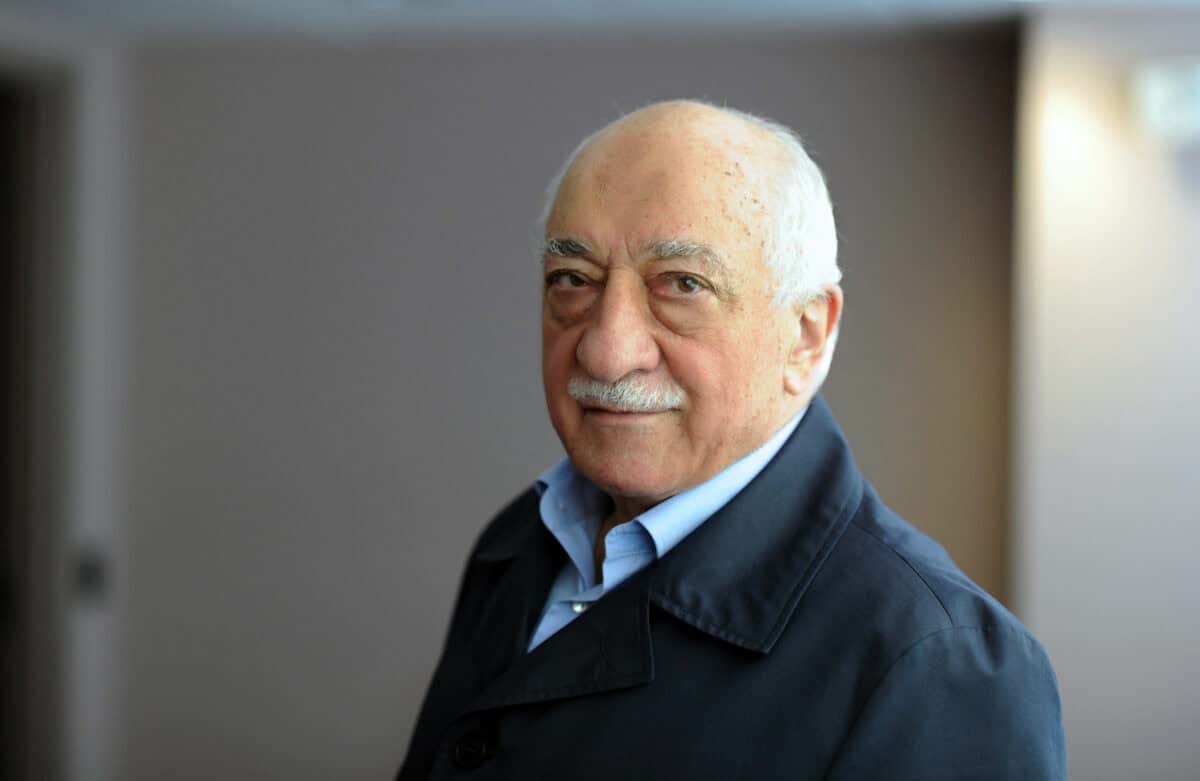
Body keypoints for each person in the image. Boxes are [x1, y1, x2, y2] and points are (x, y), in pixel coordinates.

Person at [397, 100, 1065, 780]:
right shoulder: (517, 543)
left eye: (683, 285)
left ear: (805, 336)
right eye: (573, 280)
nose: (606, 351)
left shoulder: (937, 667)